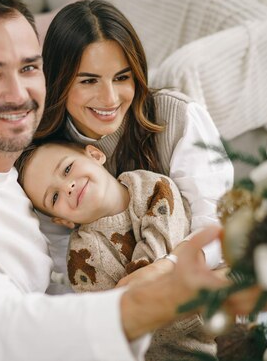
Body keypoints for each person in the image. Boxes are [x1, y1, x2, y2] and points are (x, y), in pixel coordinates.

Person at [0, 0, 231, 361]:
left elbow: (59, 293)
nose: (17, 92)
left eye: (27, 68)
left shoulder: (18, 177)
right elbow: (1, 328)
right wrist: (147, 296)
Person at [35, 0, 234, 285]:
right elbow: (57, 254)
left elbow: (217, 224)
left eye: (121, 77)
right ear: (59, 82)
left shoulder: (177, 117)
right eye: (89, 81)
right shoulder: (43, 157)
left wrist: (160, 271)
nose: (110, 99)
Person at [16, 140, 218, 361]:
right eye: (54, 197)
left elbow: (161, 260)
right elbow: (118, 322)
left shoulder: (154, 187)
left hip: (215, 327)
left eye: (67, 169)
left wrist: (143, 289)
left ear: (95, 155)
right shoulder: (82, 260)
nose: (67, 187)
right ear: (62, 220)